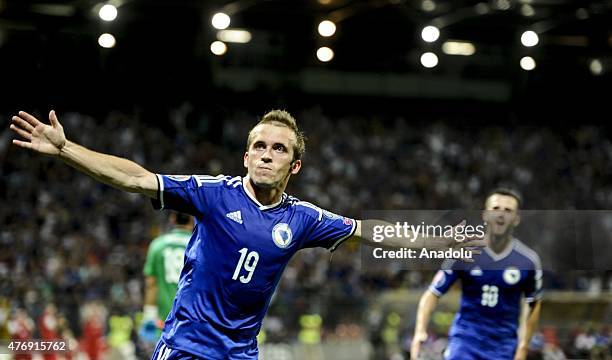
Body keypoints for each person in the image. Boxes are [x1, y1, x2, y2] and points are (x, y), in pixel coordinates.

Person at [10, 109, 482, 359]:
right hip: (186, 348)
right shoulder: (213, 195)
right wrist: (67, 148)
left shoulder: (302, 219)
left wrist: (441, 238)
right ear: (245, 155)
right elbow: (136, 178)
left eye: (278, 149)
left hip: (239, 355)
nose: (265, 154)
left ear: (293, 165)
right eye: (258, 145)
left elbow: (368, 234)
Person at [410, 189, 543, 360]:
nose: (501, 214)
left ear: (516, 219)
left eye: (508, 210)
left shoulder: (527, 261)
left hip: (504, 346)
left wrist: (523, 346)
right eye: (495, 208)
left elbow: (533, 304)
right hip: (465, 341)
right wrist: (420, 331)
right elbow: (432, 293)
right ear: (485, 215)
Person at [141, 212, 194, 343]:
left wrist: (148, 315)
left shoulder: (157, 245)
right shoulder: (199, 246)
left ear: (172, 219)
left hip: (164, 322)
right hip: (191, 321)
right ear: (192, 220)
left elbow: (151, 284)